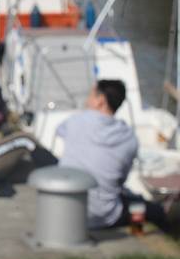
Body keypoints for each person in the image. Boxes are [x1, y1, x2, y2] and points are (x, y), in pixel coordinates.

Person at [57, 80, 168, 230]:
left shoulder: (75, 121)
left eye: (91, 95)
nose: (87, 100)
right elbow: (120, 180)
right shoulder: (129, 138)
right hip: (102, 214)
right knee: (155, 211)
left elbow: (60, 132)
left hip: (63, 210)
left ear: (100, 101)